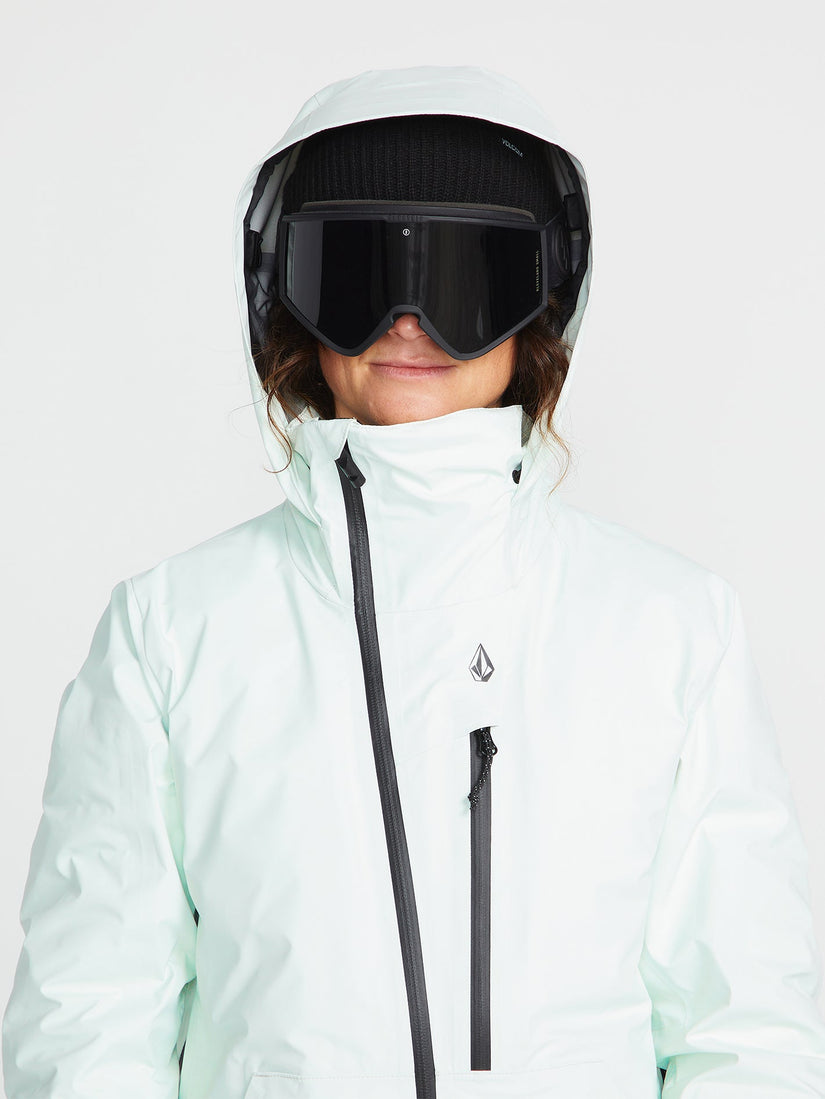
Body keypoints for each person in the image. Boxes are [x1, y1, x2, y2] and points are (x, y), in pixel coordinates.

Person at [3, 64, 825, 1099]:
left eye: (466, 276)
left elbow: (745, 1033)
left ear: (542, 305)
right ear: (286, 300)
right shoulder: (172, 630)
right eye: (357, 273)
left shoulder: (669, 628)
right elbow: (86, 1029)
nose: (408, 320)